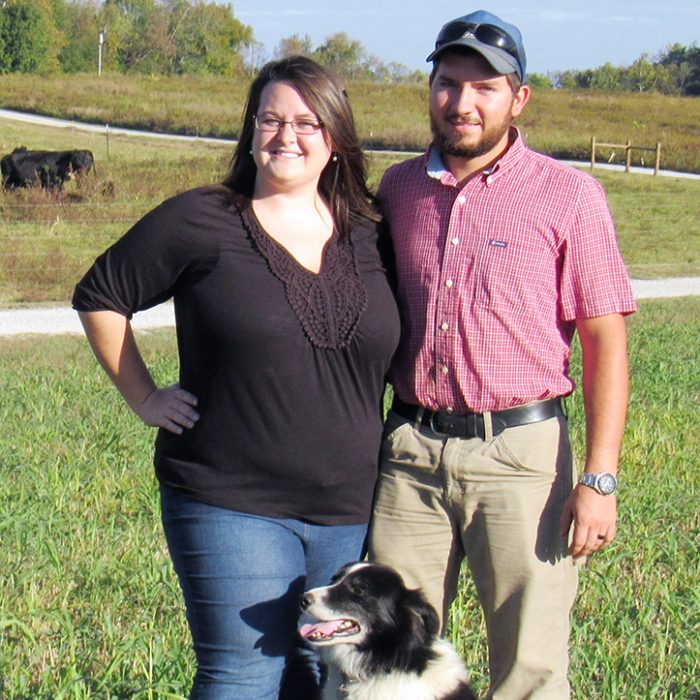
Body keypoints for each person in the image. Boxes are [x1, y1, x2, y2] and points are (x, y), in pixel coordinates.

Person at [72, 56, 400, 700]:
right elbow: (102, 293)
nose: (286, 136)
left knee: (320, 673)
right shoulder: (205, 219)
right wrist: (143, 395)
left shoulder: (373, 235)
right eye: (271, 119)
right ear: (250, 131)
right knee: (244, 674)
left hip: (347, 509)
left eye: (307, 122)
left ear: (335, 138)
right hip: (229, 498)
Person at [368, 10, 637, 699]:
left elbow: (605, 337)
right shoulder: (397, 191)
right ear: (429, 88)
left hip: (522, 460)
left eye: (485, 88)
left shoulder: (568, 195)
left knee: (529, 668)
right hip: (411, 455)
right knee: (394, 660)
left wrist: (600, 480)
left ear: (519, 99)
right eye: (449, 84)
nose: (463, 104)